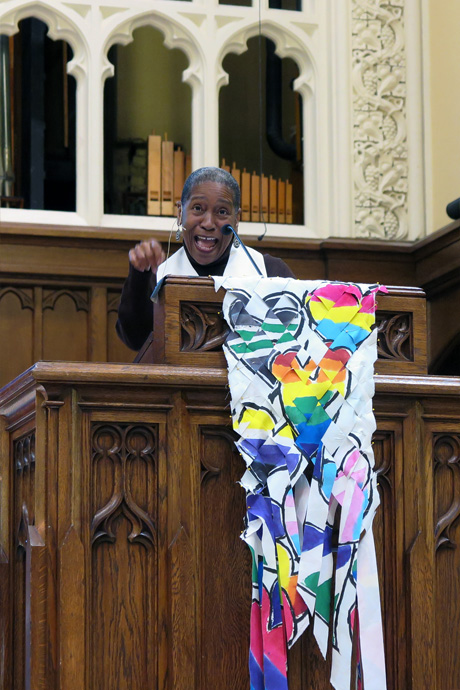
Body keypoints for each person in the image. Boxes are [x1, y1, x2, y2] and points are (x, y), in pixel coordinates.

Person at [116, 166, 295, 351]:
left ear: (237, 219)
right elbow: (135, 340)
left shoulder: (269, 272)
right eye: (198, 208)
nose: (208, 223)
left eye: (222, 212)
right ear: (180, 213)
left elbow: (297, 337)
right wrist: (139, 275)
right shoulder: (159, 274)